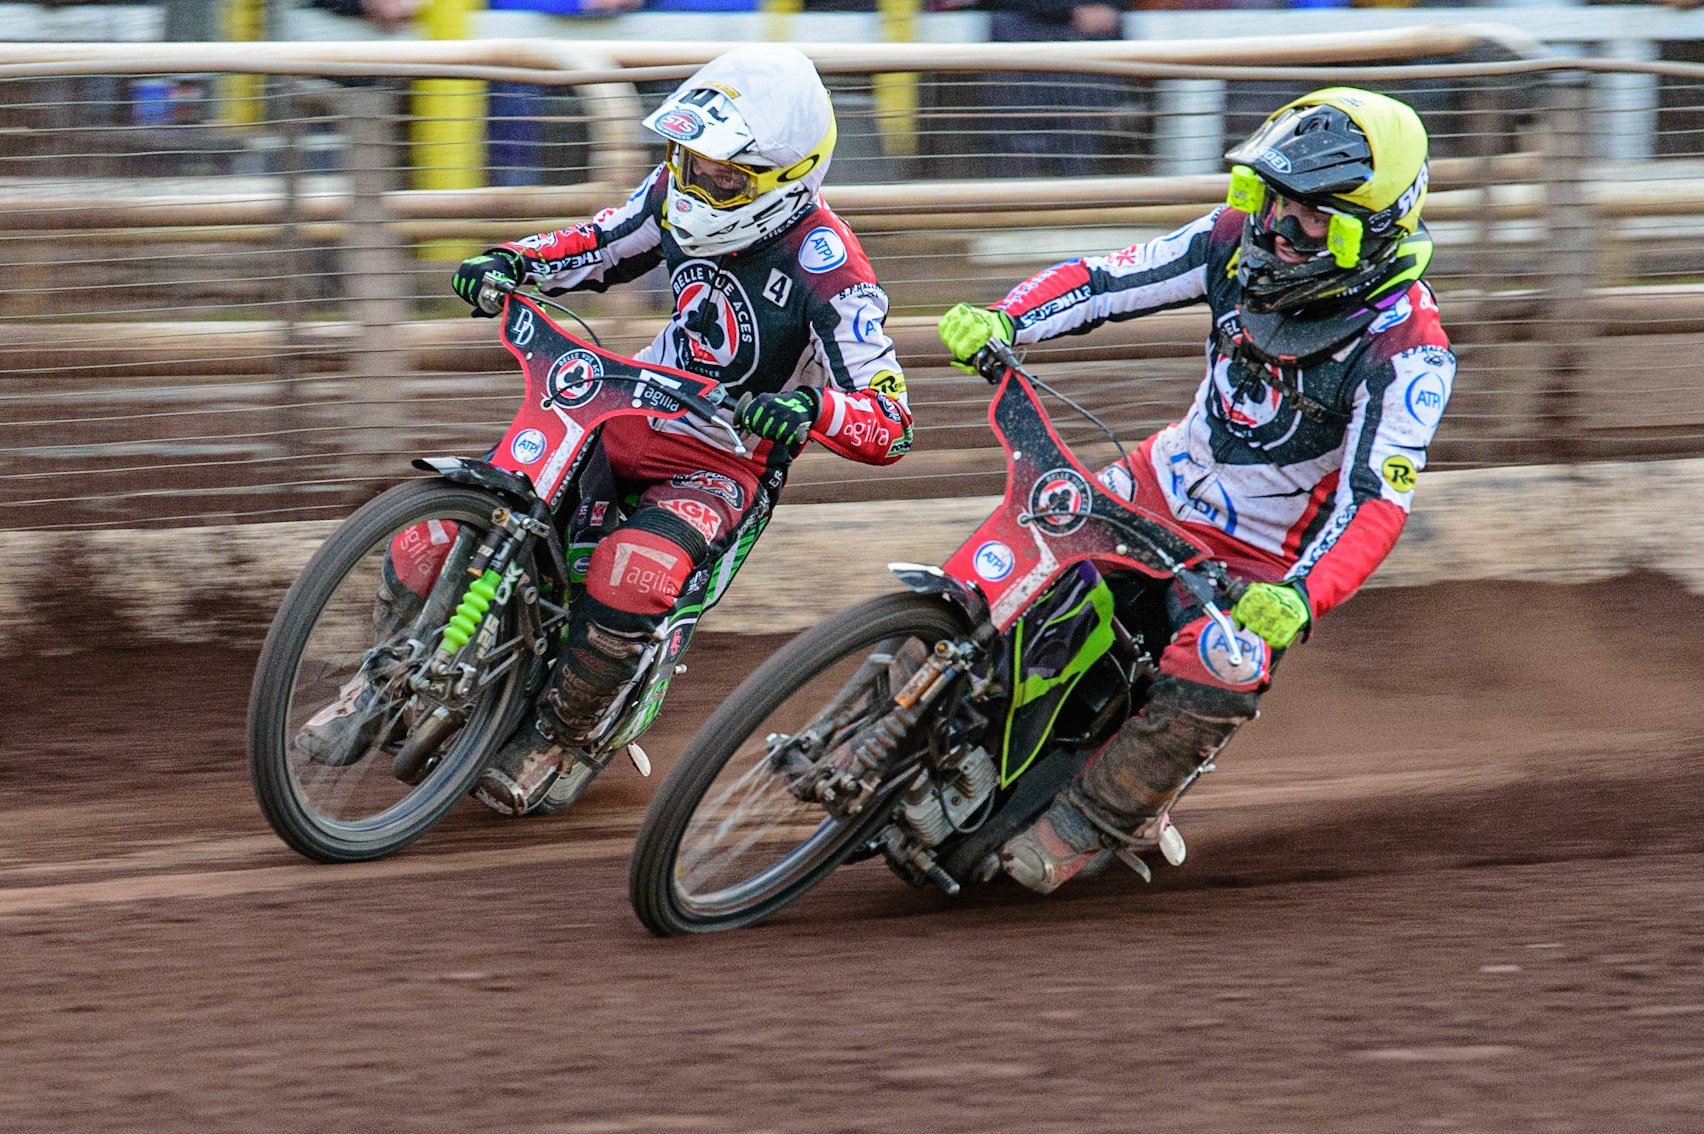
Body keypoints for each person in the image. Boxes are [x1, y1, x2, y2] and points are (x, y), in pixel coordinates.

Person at [298, 45, 912, 818]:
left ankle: (563, 733)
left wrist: (811, 411)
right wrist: (511, 263)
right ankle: (379, 681)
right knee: (437, 532)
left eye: (722, 173)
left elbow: (890, 421)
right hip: (628, 409)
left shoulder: (833, 270)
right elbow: (595, 242)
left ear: (790, 178)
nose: (694, 181)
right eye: (685, 158)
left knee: (631, 571)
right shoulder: (671, 192)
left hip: (725, 462)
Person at [936, 87, 1453, 892]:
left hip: (1250, 568)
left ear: (1374, 228)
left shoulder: (1409, 347)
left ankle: (1103, 816)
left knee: (1230, 661)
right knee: (1015, 547)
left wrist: (1304, 599)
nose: (1280, 228)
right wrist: (1009, 318)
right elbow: (1107, 280)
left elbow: (1376, 501)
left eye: (1313, 216)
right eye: (1273, 199)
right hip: (1153, 487)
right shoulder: (1230, 242)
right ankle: (913, 697)